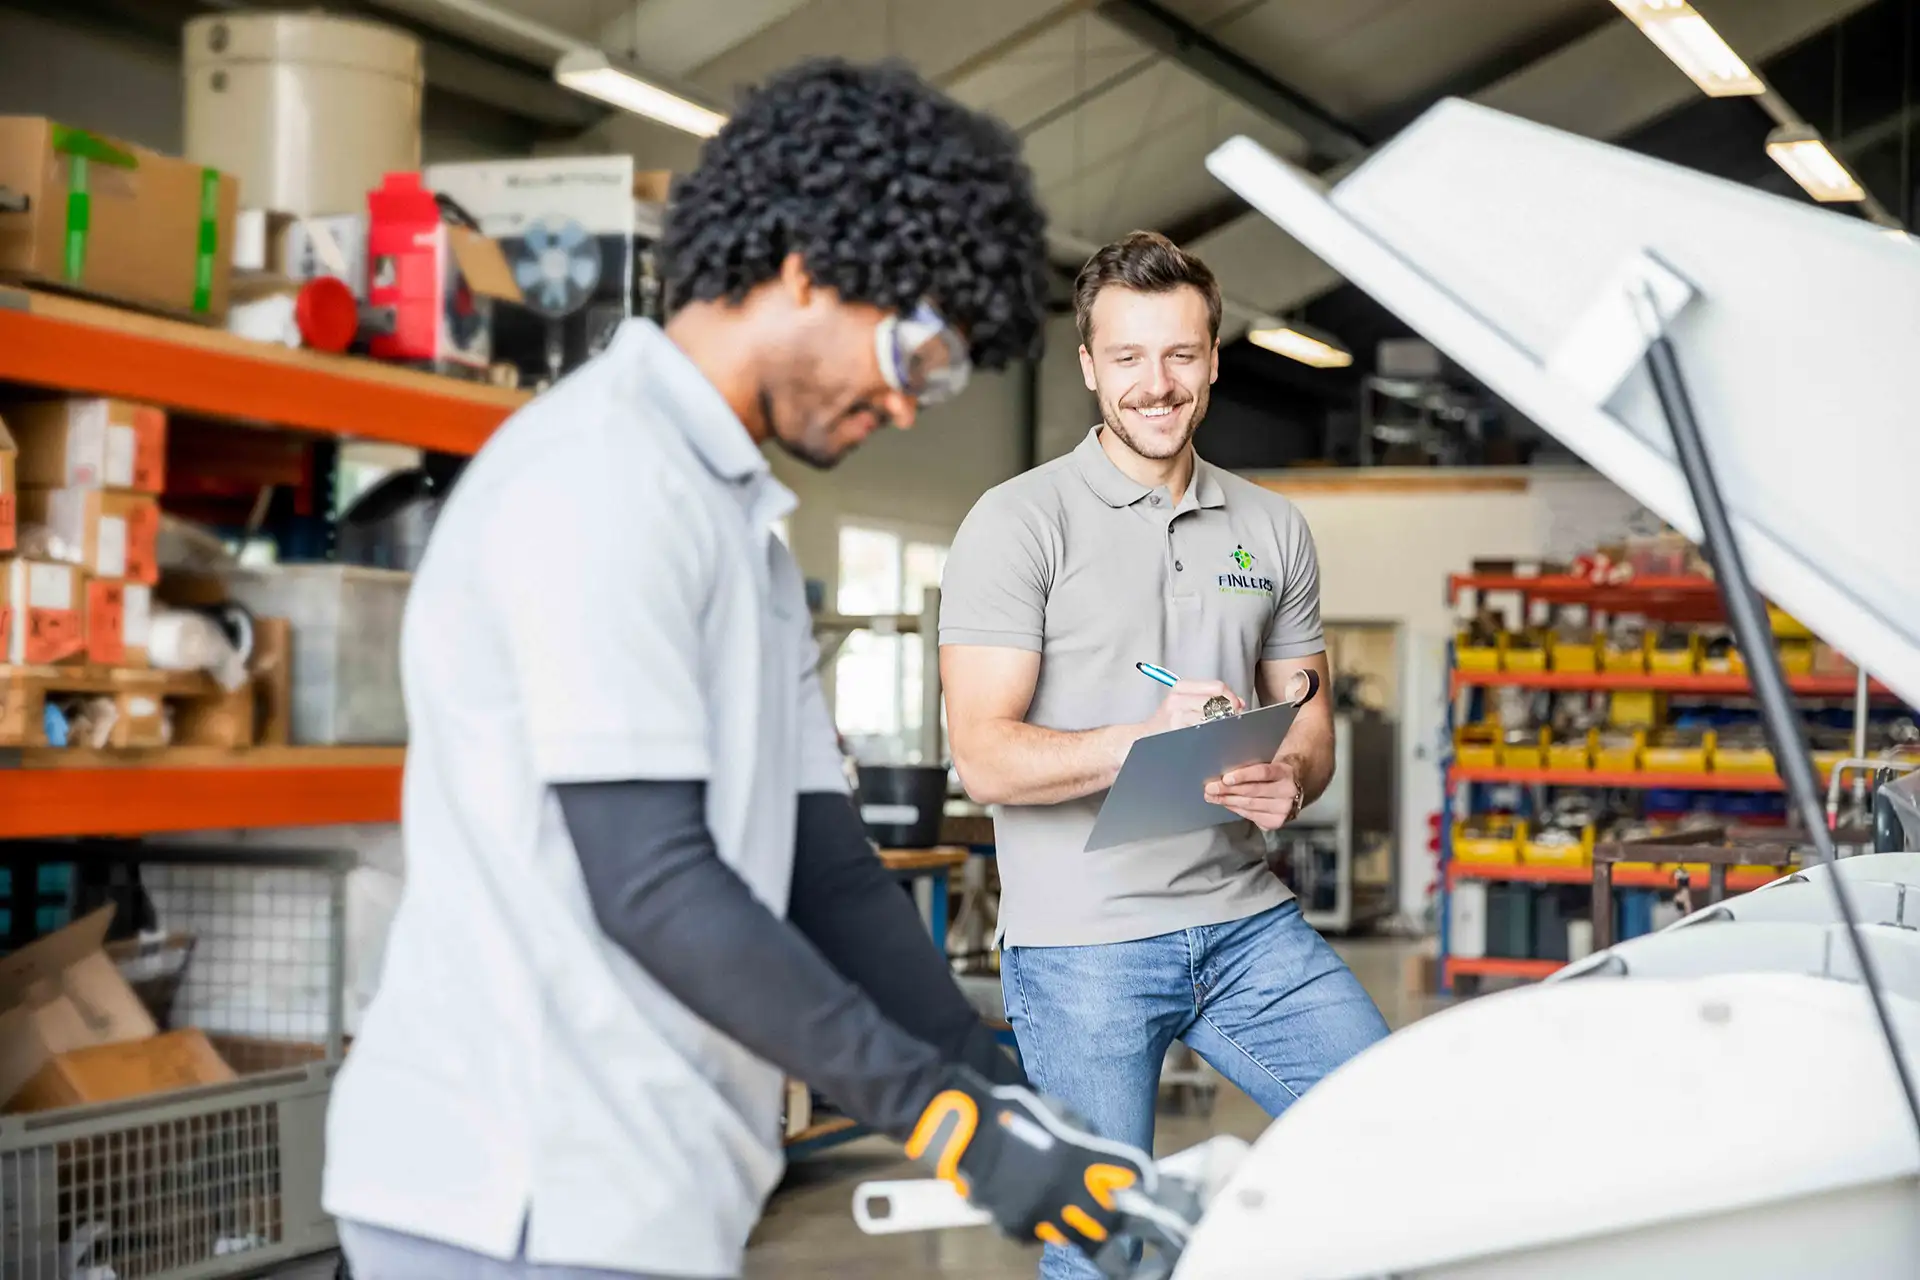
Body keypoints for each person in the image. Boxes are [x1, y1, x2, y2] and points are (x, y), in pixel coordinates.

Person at [322, 60, 1155, 1280]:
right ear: (806, 268)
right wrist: (947, 1119)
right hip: (514, 1184)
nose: (914, 405)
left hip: (643, 1183)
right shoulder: (603, 478)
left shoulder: (740, 533)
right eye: (916, 352)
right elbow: (651, 877)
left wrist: (997, 1077)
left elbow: (826, 868)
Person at [940, 230, 1393, 1280]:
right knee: (1105, 1252)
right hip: (1081, 946)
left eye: (1181, 354)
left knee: (1395, 1136)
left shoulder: (1272, 527)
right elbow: (988, 760)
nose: (1158, 382)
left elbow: (1309, 721)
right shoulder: (1018, 523)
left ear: (1216, 357)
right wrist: (1142, 742)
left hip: (1247, 925)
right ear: (1091, 365)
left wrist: (1294, 776)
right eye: (1131, 357)